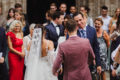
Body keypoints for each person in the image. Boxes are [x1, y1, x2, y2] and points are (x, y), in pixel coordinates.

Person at [71, 12, 101, 79]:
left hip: (90, 65)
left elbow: (96, 48)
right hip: (76, 66)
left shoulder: (92, 30)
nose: (79, 22)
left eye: (80, 20)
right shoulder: (72, 31)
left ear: (84, 19)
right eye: (76, 21)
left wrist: (98, 64)